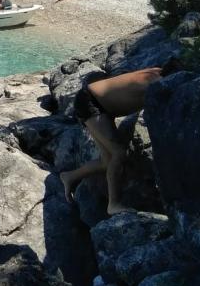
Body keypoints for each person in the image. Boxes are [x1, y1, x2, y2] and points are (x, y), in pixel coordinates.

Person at [59, 67, 163, 215]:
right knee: (119, 153)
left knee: (107, 161)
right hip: (91, 102)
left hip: (100, 104)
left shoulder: (155, 74)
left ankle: (69, 176)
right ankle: (113, 204)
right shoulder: (157, 83)